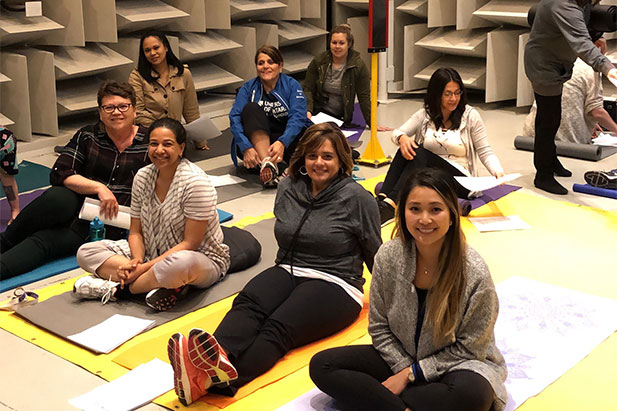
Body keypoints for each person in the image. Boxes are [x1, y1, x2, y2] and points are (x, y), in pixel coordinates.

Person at [166, 123, 382, 406]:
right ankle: (214, 357)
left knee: (278, 326)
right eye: (312, 155)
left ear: (341, 160)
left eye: (327, 157)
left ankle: (219, 381)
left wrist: (389, 305)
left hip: (337, 282)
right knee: (248, 303)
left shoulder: (358, 198)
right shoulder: (290, 186)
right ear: (303, 157)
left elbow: (375, 254)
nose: (319, 163)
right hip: (288, 269)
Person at [309, 168, 508, 411]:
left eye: (436, 209)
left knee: (473, 395)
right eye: (415, 209)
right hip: (400, 355)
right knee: (323, 365)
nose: (424, 219)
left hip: (457, 365)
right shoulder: (388, 256)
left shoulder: (473, 270)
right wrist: (403, 366)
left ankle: (379, 402)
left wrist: (410, 375)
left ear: (452, 214)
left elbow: (472, 347)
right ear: (402, 213)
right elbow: (379, 327)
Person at [73, 118, 230, 311]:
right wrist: (136, 261)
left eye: (167, 144)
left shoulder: (196, 182)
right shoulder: (142, 176)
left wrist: (142, 269)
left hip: (199, 258)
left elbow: (191, 244)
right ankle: (160, 284)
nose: (159, 150)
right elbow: (135, 232)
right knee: (86, 252)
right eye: (154, 144)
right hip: (151, 253)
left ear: (181, 148)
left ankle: (117, 290)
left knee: (180, 264)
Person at [0, 81, 150, 280]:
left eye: (123, 106)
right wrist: (99, 188)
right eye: (109, 107)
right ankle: (5, 240)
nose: (116, 112)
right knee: (58, 197)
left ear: (134, 110)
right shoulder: (88, 135)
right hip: (77, 204)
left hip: (106, 224)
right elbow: (59, 172)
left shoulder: (150, 142)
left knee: (43, 241)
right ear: (100, 112)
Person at [376, 67, 505, 226]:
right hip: (431, 175)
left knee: (418, 152)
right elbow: (397, 132)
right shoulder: (425, 114)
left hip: (461, 181)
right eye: (448, 94)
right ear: (437, 95)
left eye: (457, 93)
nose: (453, 98)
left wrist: (497, 171)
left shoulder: (471, 116)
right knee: (406, 148)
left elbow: (485, 151)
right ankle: (382, 200)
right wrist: (402, 138)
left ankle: (391, 205)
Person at [524, 0, 617, 195]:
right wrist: (607, 67)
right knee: (548, 120)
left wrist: (596, 35)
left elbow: (582, 26)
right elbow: (581, 43)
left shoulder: (582, 2)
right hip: (543, 65)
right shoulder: (562, 5)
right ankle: (543, 174)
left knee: (552, 117)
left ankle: (551, 159)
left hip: (557, 64)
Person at [229, 45, 312, 187]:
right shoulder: (248, 88)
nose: (265, 66)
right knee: (251, 108)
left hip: (287, 138)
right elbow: (235, 117)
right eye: (261, 63)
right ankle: (269, 164)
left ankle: (281, 167)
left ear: (280, 66)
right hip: (259, 141)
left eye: (270, 62)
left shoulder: (292, 85)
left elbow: (298, 117)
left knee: (315, 139)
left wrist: (282, 142)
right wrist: (246, 147)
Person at [523, 39, 617, 144]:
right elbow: (597, 112)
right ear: (598, 46)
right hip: (567, 141)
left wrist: (588, 122)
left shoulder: (554, 58)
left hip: (533, 135)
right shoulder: (590, 68)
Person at [129, 31, 209, 150]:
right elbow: (137, 113)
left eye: (156, 48)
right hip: (149, 138)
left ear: (166, 47)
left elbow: (191, 110)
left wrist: (200, 143)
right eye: (147, 50)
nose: (152, 53)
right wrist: (163, 130)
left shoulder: (184, 74)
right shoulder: (137, 77)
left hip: (174, 139)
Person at [303, 24, 391, 132]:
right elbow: (308, 89)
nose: (337, 46)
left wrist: (372, 123)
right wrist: (308, 111)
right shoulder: (318, 61)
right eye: (334, 42)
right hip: (317, 113)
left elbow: (364, 97)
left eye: (341, 43)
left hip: (338, 118)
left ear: (349, 44)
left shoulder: (358, 66)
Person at [0, 126, 20, 224]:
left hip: (4, 143)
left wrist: (15, 210)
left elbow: (7, 179)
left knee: (6, 175)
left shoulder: (6, 140)